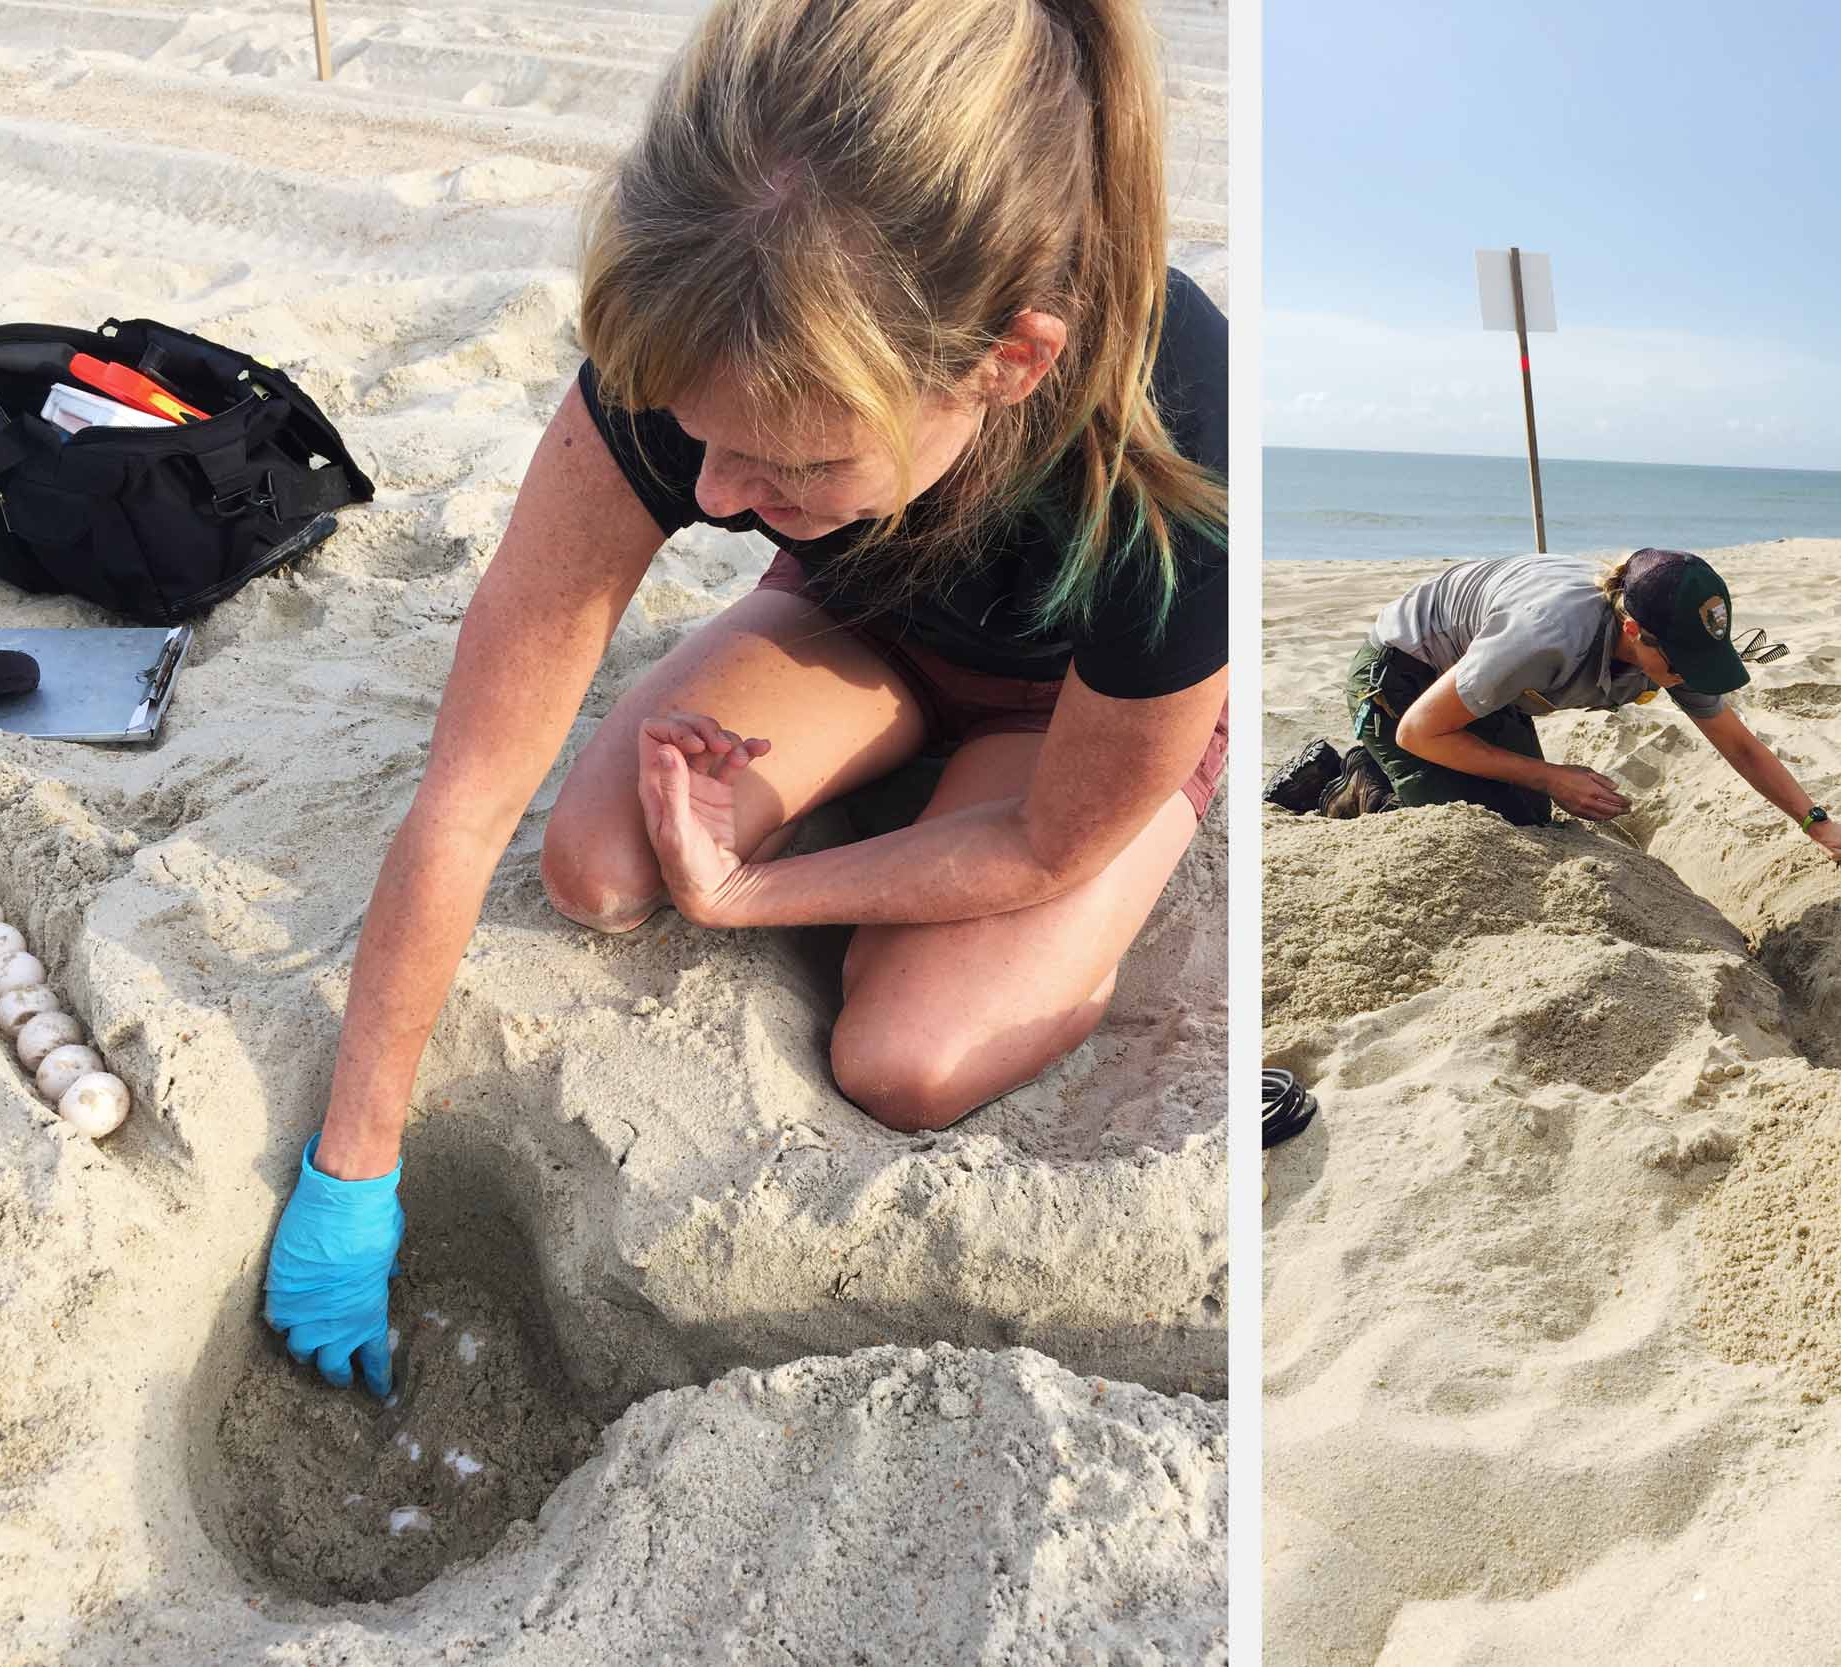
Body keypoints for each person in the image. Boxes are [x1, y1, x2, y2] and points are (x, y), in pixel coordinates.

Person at [262, 0, 1228, 1397]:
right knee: (594, 864)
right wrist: (351, 1167)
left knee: (910, 1056)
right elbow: (467, 794)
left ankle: (928, 825)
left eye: (785, 458)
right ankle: (869, 729)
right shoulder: (699, 317)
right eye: (699, 441)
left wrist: (752, 895)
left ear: (1005, 362)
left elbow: (1045, 841)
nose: (711, 497)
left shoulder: (1181, 427)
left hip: (1070, 723)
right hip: (865, 619)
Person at [1339, 547, 1841, 857]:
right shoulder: (1547, 635)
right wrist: (1552, 775)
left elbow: (1739, 745)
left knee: (1526, 819)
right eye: (1678, 664)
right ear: (1633, 630)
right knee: (1469, 834)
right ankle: (1360, 779)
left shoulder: (1680, 645)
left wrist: (1817, 823)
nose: (1686, 677)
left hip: (1488, 684)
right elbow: (1419, 731)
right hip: (1404, 676)